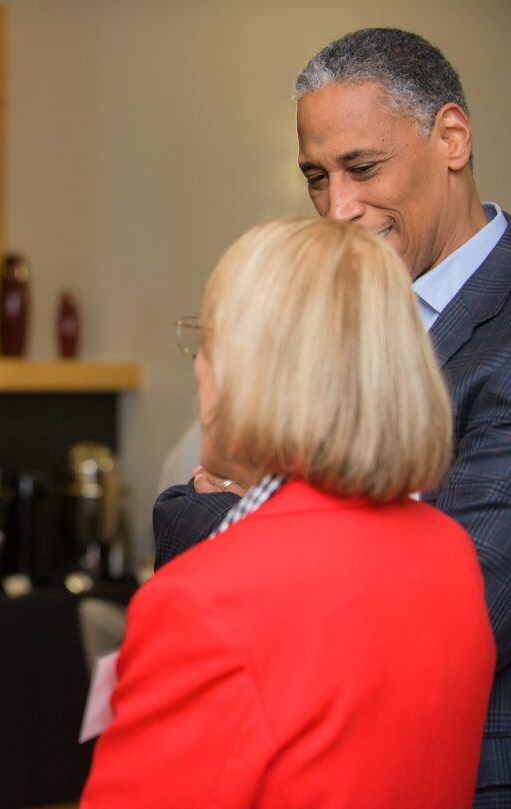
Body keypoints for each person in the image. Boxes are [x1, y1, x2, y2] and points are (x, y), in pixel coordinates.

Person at [153, 29, 511, 804]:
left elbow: (457, 605)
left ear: (451, 137)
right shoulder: (334, 311)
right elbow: (184, 520)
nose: (338, 208)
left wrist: (233, 500)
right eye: (317, 176)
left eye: (363, 167)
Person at [84, 217, 495, 808]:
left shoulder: (205, 601)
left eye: (208, 342)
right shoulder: (448, 552)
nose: (198, 367)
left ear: (253, 371)